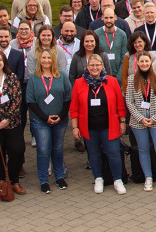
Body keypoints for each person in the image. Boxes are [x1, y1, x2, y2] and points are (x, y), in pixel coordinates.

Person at [70, 54, 127, 194]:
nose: (95, 68)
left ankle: (117, 180)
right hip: (89, 127)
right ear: (87, 67)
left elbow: (120, 104)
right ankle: (98, 179)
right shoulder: (79, 83)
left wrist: (122, 121)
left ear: (102, 66)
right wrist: (75, 126)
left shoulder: (112, 81)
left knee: (113, 153)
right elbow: (74, 107)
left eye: (97, 65)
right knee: (94, 154)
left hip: (109, 126)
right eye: (92, 65)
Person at [126, 51, 156, 191]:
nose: (144, 64)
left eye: (146, 61)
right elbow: (129, 102)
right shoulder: (131, 79)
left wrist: (153, 118)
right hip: (138, 121)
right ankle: (148, 177)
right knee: (143, 149)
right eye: (141, 61)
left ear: (151, 62)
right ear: (137, 63)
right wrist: (141, 118)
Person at [26, 49, 72, 194]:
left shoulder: (62, 76)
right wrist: (45, 117)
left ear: (53, 60)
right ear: (39, 60)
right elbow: (30, 101)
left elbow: (67, 98)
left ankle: (59, 177)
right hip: (40, 120)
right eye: (43, 58)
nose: (46, 60)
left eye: (49, 58)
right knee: (44, 150)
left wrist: (61, 115)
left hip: (60, 119)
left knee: (57, 149)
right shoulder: (34, 78)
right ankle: (44, 180)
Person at [0, 52, 25, 195]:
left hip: (12, 122)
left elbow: (17, 100)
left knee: (17, 150)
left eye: (0, 60)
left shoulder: (12, 78)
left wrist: (7, 119)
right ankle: (2, 181)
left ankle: (14, 180)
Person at [95, 8, 127, 82]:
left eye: (111, 17)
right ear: (102, 18)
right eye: (106, 18)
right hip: (101, 77)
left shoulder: (122, 34)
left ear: (115, 17)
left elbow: (124, 57)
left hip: (118, 77)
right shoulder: (96, 34)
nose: (108, 20)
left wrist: (119, 78)